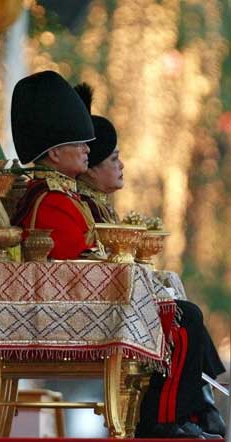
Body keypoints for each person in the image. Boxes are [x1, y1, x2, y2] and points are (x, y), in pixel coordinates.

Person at [75, 82, 226, 439]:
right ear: (91, 170)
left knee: (181, 308)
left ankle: (195, 407)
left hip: (104, 301)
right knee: (184, 315)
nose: (122, 165)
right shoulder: (69, 203)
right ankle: (166, 418)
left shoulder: (91, 203)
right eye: (113, 159)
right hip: (89, 309)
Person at [10, 70, 97, 260]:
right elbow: (78, 262)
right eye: (78, 144)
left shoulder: (66, 196)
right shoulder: (51, 201)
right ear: (55, 153)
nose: (87, 150)